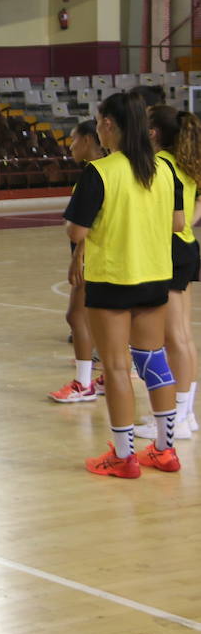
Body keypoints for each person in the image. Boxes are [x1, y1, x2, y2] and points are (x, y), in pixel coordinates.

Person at [65, 92, 183, 478]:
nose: (97, 128)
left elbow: (78, 229)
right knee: (154, 360)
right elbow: (177, 222)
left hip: (113, 278)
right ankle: (164, 451)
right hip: (155, 277)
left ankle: (124, 456)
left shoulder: (100, 172)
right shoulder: (164, 168)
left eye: (98, 122)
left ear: (109, 125)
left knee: (116, 367)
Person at [135, 105, 201, 442]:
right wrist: (189, 220)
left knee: (174, 337)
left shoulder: (161, 165)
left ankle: (177, 416)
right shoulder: (185, 163)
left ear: (153, 133)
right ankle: (186, 414)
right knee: (183, 337)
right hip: (186, 248)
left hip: (170, 249)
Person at [49, 120, 106, 403]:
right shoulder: (113, 169)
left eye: (73, 139)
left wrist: (78, 254)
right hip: (102, 254)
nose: (70, 145)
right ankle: (106, 374)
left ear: (87, 140)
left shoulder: (94, 174)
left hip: (92, 254)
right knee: (100, 317)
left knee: (77, 315)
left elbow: (86, 223)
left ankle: (83, 383)